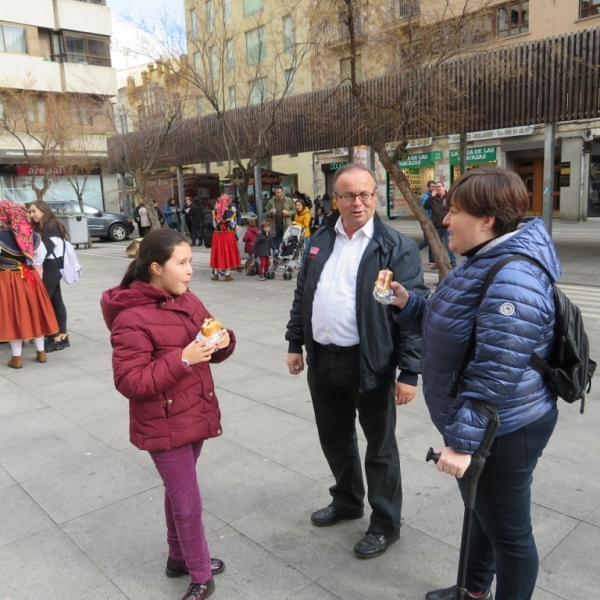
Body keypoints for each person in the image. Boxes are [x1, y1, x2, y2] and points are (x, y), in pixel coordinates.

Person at [389, 168, 559, 600]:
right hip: (487, 424)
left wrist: (462, 443)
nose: (445, 220)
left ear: (487, 220)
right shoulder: (482, 260)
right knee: (484, 513)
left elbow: (495, 370)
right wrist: (407, 304)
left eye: (454, 212)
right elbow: (452, 326)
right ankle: (475, 588)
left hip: (505, 428)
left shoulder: (513, 276)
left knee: (511, 535)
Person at [285, 163, 429, 559]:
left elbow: (413, 313)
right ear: (336, 199)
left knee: (380, 447)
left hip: (372, 363)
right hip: (323, 360)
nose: (357, 202)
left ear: (376, 197)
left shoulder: (395, 247)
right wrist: (295, 343)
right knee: (335, 438)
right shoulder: (320, 241)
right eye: (348, 195)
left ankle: (385, 523)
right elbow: (304, 297)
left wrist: (410, 372)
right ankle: (347, 500)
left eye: (365, 194)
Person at [101, 229, 236, 600]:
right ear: (156, 267)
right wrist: (181, 360)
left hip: (192, 412)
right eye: (183, 263)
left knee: (179, 492)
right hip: (163, 422)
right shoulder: (130, 318)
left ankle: (178, 558)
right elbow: (130, 380)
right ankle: (199, 573)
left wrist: (224, 340)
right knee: (188, 502)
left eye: (191, 261)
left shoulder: (186, 298)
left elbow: (211, 340)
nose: (191, 270)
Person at [0, 200, 59, 368]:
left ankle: (17, 358)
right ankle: (41, 353)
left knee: (14, 316)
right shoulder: (32, 235)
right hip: (30, 277)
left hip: (8, 279)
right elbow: (40, 257)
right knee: (34, 313)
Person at [28, 199, 71, 352]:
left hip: (52, 266)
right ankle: (60, 335)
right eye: (30, 212)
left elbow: (44, 249)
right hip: (52, 266)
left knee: (43, 300)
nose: (32, 215)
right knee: (55, 299)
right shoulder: (50, 225)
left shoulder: (50, 227)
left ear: (43, 211)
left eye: (34, 211)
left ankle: (57, 336)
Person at [424, 181, 456, 270]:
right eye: (436, 187)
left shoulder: (449, 197)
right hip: (436, 225)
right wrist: (431, 197)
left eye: (439, 187)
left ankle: (453, 263)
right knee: (437, 246)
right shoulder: (433, 198)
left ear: (443, 187)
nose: (438, 188)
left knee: (449, 245)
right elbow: (426, 206)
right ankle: (438, 262)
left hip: (447, 226)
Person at [210, 194, 240, 281]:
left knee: (217, 253)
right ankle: (227, 275)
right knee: (227, 253)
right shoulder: (230, 212)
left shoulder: (215, 211)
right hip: (227, 234)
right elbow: (232, 224)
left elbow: (214, 224)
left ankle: (215, 274)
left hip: (217, 234)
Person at [418, 180, 436, 265]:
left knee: (431, 240)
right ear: (428, 187)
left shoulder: (432, 196)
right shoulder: (425, 196)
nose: (433, 188)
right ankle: (414, 250)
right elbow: (423, 210)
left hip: (432, 220)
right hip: (427, 221)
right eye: (432, 186)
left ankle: (431, 259)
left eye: (434, 186)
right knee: (427, 241)